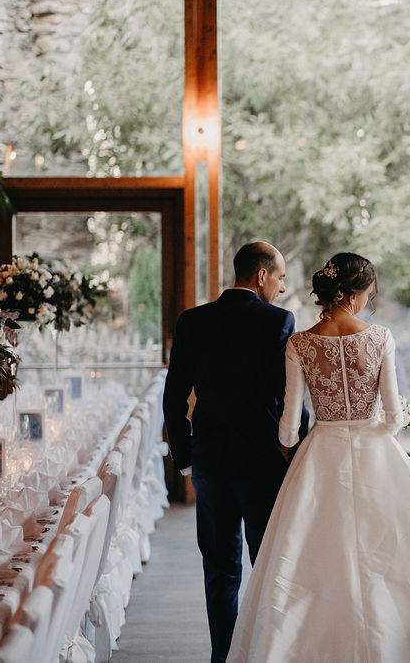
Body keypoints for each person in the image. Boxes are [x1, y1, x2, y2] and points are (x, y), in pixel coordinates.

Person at [227, 252, 410, 662]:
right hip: (376, 449)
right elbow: (394, 416)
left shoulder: (300, 343)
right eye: (369, 293)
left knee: (310, 558)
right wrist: (376, 423)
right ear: (355, 295)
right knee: (401, 556)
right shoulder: (379, 339)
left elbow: (289, 427)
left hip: (321, 451)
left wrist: (294, 447)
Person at [163, 241, 309, 663]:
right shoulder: (279, 321)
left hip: (210, 461)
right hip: (264, 463)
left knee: (220, 570)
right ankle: (263, 652)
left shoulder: (192, 321)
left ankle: (223, 657)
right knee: (267, 566)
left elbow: (173, 399)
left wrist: (187, 457)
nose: (282, 288)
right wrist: (295, 447)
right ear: (261, 276)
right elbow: (289, 396)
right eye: (280, 277)